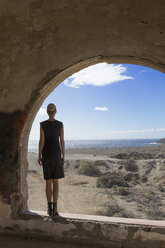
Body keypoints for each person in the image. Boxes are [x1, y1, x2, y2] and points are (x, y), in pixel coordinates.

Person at [38, 103, 65, 217]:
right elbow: (62, 141)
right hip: (56, 154)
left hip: (47, 155)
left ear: (47, 112)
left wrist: (39, 155)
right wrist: (64, 155)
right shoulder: (60, 124)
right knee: (56, 182)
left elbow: (41, 141)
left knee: (48, 182)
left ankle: (49, 208)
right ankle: (55, 209)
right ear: (55, 111)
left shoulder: (42, 125)